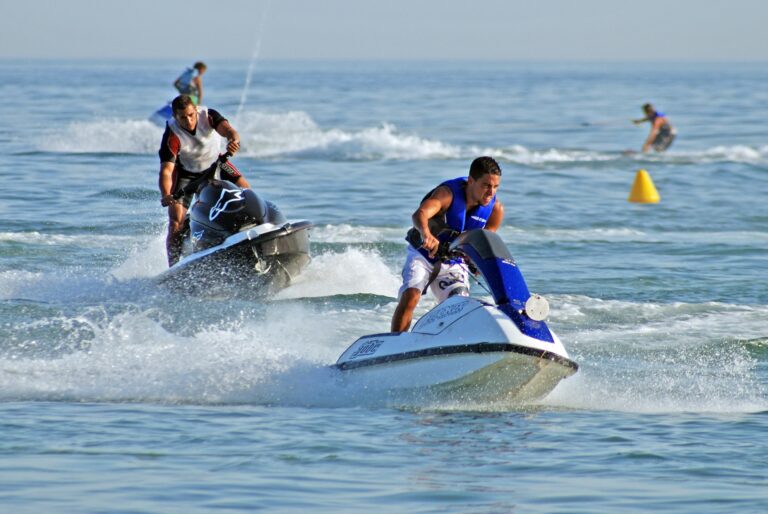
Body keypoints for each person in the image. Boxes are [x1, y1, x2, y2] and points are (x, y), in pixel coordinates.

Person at [390, 156, 505, 332]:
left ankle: (445, 341)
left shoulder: (495, 209)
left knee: (458, 305)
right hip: (423, 255)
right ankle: (396, 343)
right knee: (412, 296)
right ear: (471, 181)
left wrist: (476, 262)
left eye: (495, 186)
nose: (491, 192)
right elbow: (419, 214)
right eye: (486, 185)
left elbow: (485, 240)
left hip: (453, 263)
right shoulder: (447, 194)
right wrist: (426, 234)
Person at [158, 94, 251, 266]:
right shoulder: (171, 135)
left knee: (246, 191)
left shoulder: (208, 115)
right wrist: (166, 194)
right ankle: (173, 266)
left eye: (191, 115)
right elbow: (166, 170)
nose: (189, 121)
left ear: (196, 110)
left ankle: (257, 228)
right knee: (175, 222)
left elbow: (230, 131)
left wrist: (233, 141)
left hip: (217, 164)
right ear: (174, 117)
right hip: (186, 175)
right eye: (183, 118)